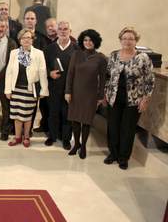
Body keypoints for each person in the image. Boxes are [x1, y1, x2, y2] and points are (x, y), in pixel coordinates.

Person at [104, 27, 154, 170]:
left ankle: (123, 158)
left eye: (131, 39)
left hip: (133, 100)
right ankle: (112, 154)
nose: (127, 41)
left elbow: (150, 80)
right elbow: (107, 76)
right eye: (125, 38)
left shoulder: (143, 58)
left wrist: (146, 99)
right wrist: (105, 94)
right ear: (120, 40)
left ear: (136, 41)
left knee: (128, 129)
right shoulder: (113, 55)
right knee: (113, 127)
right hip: (114, 98)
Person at [65, 29, 107, 159]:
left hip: (91, 94)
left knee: (86, 121)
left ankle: (83, 147)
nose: (88, 42)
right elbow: (70, 74)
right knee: (75, 120)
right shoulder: (76, 55)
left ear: (96, 42)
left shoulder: (100, 58)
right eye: (85, 40)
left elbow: (103, 78)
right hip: (75, 92)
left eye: (90, 40)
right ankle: (76, 144)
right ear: (82, 41)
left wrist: (100, 96)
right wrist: (68, 91)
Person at [5, 28, 49, 148]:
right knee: (16, 115)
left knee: (27, 115)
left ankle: (27, 137)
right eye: (24, 38)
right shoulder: (14, 53)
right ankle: (18, 137)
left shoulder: (39, 54)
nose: (26, 40)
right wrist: (7, 90)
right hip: (16, 89)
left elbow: (42, 72)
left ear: (32, 40)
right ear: (20, 40)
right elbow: (9, 72)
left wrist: (44, 90)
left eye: (29, 37)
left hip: (30, 89)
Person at [43, 21, 77, 149]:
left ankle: (66, 139)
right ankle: (52, 136)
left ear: (70, 31)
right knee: (53, 113)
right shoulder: (49, 48)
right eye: (60, 29)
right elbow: (42, 67)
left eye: (65, 29)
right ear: (56, 32)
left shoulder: (77, 49)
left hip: (69, 89)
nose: (63, 31)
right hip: (53, 87)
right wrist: (49, 73)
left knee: (67, 114)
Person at [23, 10, 50, 133]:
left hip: (35, 77)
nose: (29, 21)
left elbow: (44, 59)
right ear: (24, 20)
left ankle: (28, 130)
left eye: (32, 18)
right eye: (27, 18)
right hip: (21, 77)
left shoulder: (42, 38)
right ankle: (18, 129)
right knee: (20, 103)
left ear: (36, 21)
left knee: (32, 104)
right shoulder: (18, 36)